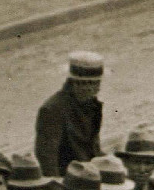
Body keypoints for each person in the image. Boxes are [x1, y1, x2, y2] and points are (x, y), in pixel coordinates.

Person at [34, 52, 104, 180]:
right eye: (83, 83)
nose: (89, 88)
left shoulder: (92, 106)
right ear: (73, 82)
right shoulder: (53, 109)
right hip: (66, 180)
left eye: (94, 83)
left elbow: (93, 147)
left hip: (88, 176)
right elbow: (47, 158)